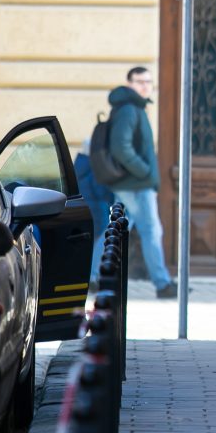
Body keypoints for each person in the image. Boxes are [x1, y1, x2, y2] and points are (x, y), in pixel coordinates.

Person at [106, 67, 178, 298]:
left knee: (116, 231)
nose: (145, 86)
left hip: (133, 184)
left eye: (149, 81)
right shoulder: (129, 110)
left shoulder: (135, 108)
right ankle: (162, 284)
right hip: (135, 185)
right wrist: (144, 172)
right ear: (129, 83)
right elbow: (120, 147)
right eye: (140, 81)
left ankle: (95, 278)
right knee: (151, 230)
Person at [75, 139, 115, 282]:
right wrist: (110, 197)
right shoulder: (94, 165)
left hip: (84, 206)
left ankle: (85, 273)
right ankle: (92, 275)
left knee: (88, 241)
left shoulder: (79, 164)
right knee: (100, 240)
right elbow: (100, 189)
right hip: (98, 207)